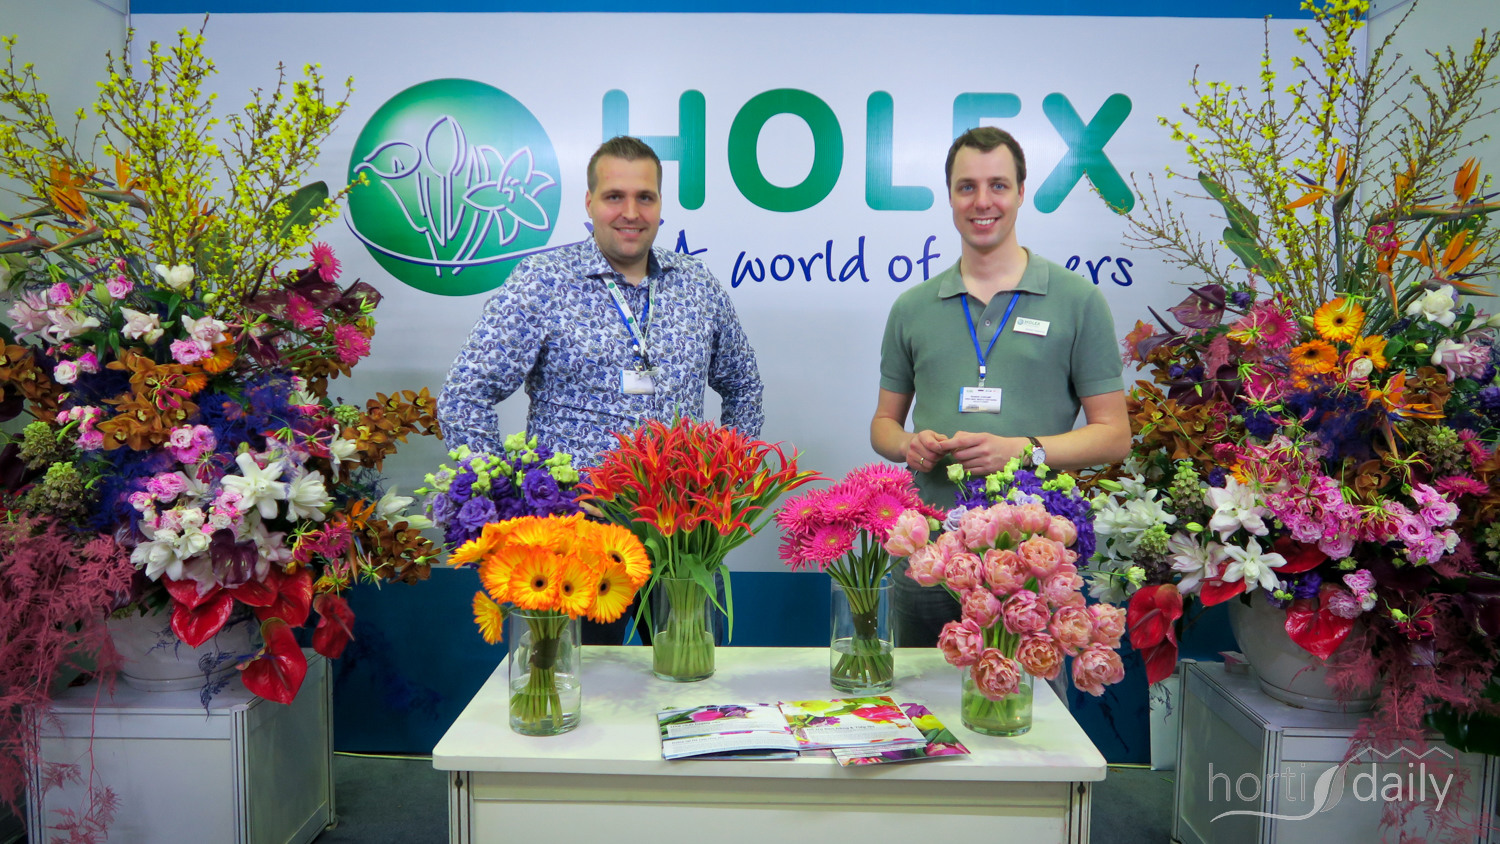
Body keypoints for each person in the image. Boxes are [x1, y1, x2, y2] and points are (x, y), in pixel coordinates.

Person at [439, 135, 764, 643]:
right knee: (578, 680)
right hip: (573, 536)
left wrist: (723, 485)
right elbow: (465, 394)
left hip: (679, 534)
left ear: (660, 204)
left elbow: (744, 386)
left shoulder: (697, 285)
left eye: (645, 197)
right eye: (615, 196)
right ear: (589, 202)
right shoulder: (543, 281)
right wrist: (509, 501)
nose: (630, 212)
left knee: (693, 673)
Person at [870, 127, 1130, 647]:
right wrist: (907, 445)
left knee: (1030, 697)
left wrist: (1022, 450)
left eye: (998, 186)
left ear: (1021, 192)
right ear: (949, 196)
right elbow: (883, 426)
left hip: (1035, 562)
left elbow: (1114, 435)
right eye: (967, 187)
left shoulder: (1077, 301)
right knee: (921, 694)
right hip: (930, 556)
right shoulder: (912, 307)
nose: (982, 201)